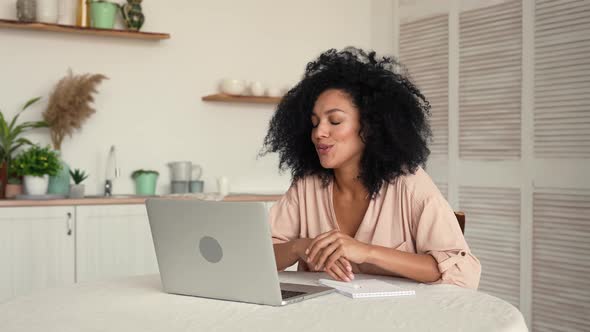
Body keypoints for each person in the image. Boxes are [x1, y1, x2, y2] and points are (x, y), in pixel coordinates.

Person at [260, 47, 481, 289]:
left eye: (334, 121)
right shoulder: (307, 185)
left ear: (369, 126)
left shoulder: (408, 182)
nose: (319, 133)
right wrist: (299, 247)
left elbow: (462, 272)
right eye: (314, 123)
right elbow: (258, 255)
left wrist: (367, 252)